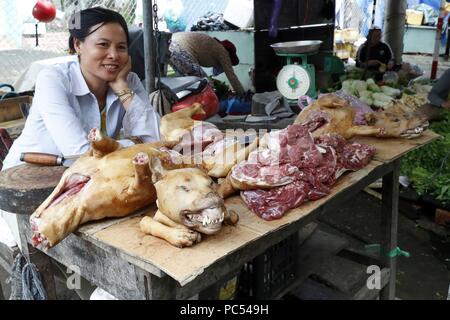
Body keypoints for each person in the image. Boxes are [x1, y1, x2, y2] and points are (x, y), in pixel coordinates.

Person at [2, 7, 161, 170]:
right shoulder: (54, 79)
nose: (113, 55)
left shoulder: (128, 81)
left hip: (85, 175)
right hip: (27, 178)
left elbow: (156, 140)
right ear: (78, 45)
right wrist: (133, 145)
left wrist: (121, 87)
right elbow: (79, 153)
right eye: (103, 44)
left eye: (121, 47)